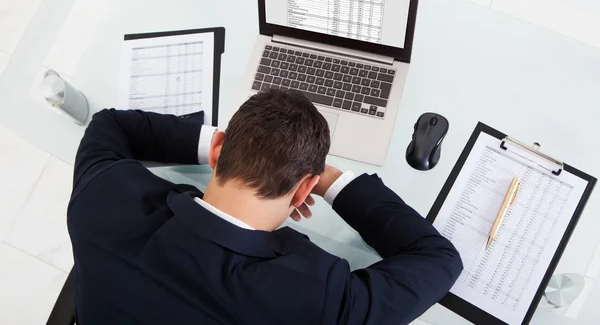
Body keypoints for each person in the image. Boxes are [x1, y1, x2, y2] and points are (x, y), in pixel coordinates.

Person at [68, 89, 462, 325]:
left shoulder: (102, 197)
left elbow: (109, 126)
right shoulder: (321, 301)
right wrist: (327, 180)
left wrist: (221, 143)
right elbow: (438, 259)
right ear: (304, 188)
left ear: (219, 153)